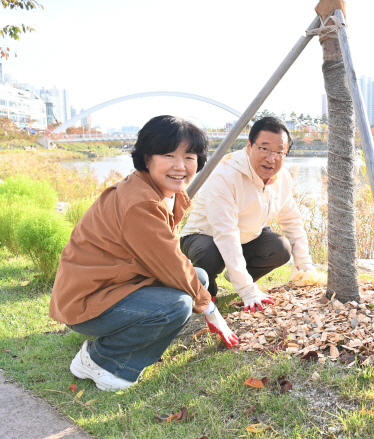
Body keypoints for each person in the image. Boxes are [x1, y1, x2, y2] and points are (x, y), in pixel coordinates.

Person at [50, 115, 239, 392]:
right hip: (87, 303)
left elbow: (167, 258)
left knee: (198, 277)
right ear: (147, 158)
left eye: (189, 156)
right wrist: (210, 309)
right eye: (168, 155)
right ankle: (101, 358)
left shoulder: (153, 191)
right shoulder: (140, 203)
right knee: (177, 304)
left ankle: (116, 347)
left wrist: (203, 297)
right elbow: (171, 263)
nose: (180, 166)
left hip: (111, 286)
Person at [180, 117, 320, 312]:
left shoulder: (283, 178)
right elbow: (225, 232)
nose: (271, 158)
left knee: (280, 248)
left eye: (279, 152)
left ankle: (239, 276)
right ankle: (208, 291)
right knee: (211, 254)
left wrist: (304, 265)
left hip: (247, 237)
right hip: (203, 235)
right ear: (249, 146)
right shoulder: (225, 174)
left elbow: (292, 220)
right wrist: (247, 290)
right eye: (264, 148)